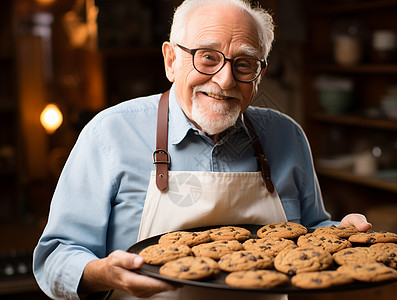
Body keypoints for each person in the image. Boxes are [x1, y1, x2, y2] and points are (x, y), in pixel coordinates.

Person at [33, 0, 372, 299]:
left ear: (260, 74)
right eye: (207, 57)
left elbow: (311, 233)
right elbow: (55, 257)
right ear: (171, 60)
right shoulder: (110, 134)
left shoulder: (287, 136)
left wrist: (342, 232)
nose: (225, 80)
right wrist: (101, 273)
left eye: (244, 64)